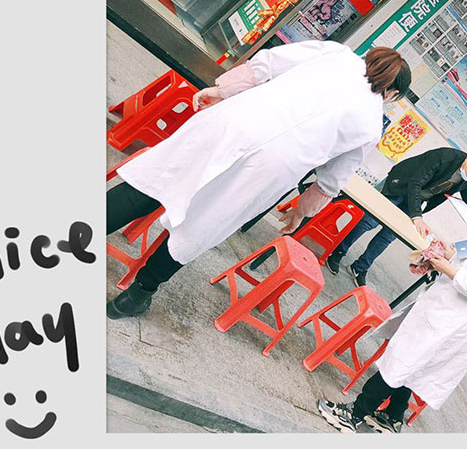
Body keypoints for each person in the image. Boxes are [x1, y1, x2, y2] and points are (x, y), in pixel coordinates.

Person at [105, 41, 411, 319]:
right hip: (271, 169)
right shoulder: (372, 123)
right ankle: (136, 295)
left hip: (236, 123)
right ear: (392, 94)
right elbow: (332, 179)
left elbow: (268, 63)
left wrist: (223, 89)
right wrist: (301, 211)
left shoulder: (337, 54)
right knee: (201, 225)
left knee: (159, 184)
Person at [317, 182, 467, 433]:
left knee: (403, 361)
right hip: (446, 305)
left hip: (458, 318)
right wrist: (447, 253)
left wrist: (449, 270)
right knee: (412, 364)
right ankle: (392, 416)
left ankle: (354, 414)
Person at [326, 147, 467, 286]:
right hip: (401, 184)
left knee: (389, 234)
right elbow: (416, 182)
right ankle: (338, 251)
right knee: (369, 221)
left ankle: (360, 267)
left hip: (417, 198)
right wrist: (417, 217)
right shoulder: (444, 157)